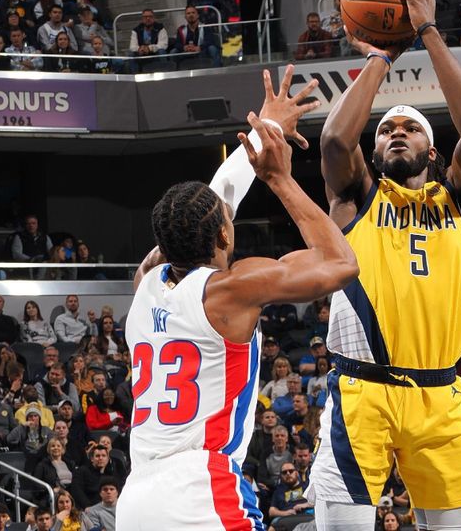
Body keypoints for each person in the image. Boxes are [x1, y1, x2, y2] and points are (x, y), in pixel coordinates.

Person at [115, 64, 355, 530]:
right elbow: (339, 264)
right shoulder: (230, 291)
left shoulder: (145, 283)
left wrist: (263, 133)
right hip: (200, 489)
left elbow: (207, 205)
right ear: (224, 234)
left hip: (137, 496)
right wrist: (280, 177)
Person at [307, 0, 461, 531]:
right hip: (362, 391)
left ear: (432, 152)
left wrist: (429, 34)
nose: (395, 134)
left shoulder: (458, 201)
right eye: (386, 130)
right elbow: (338, 138)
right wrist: (384, 53)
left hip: (440, 397)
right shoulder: (357, 195)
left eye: (409, 128)